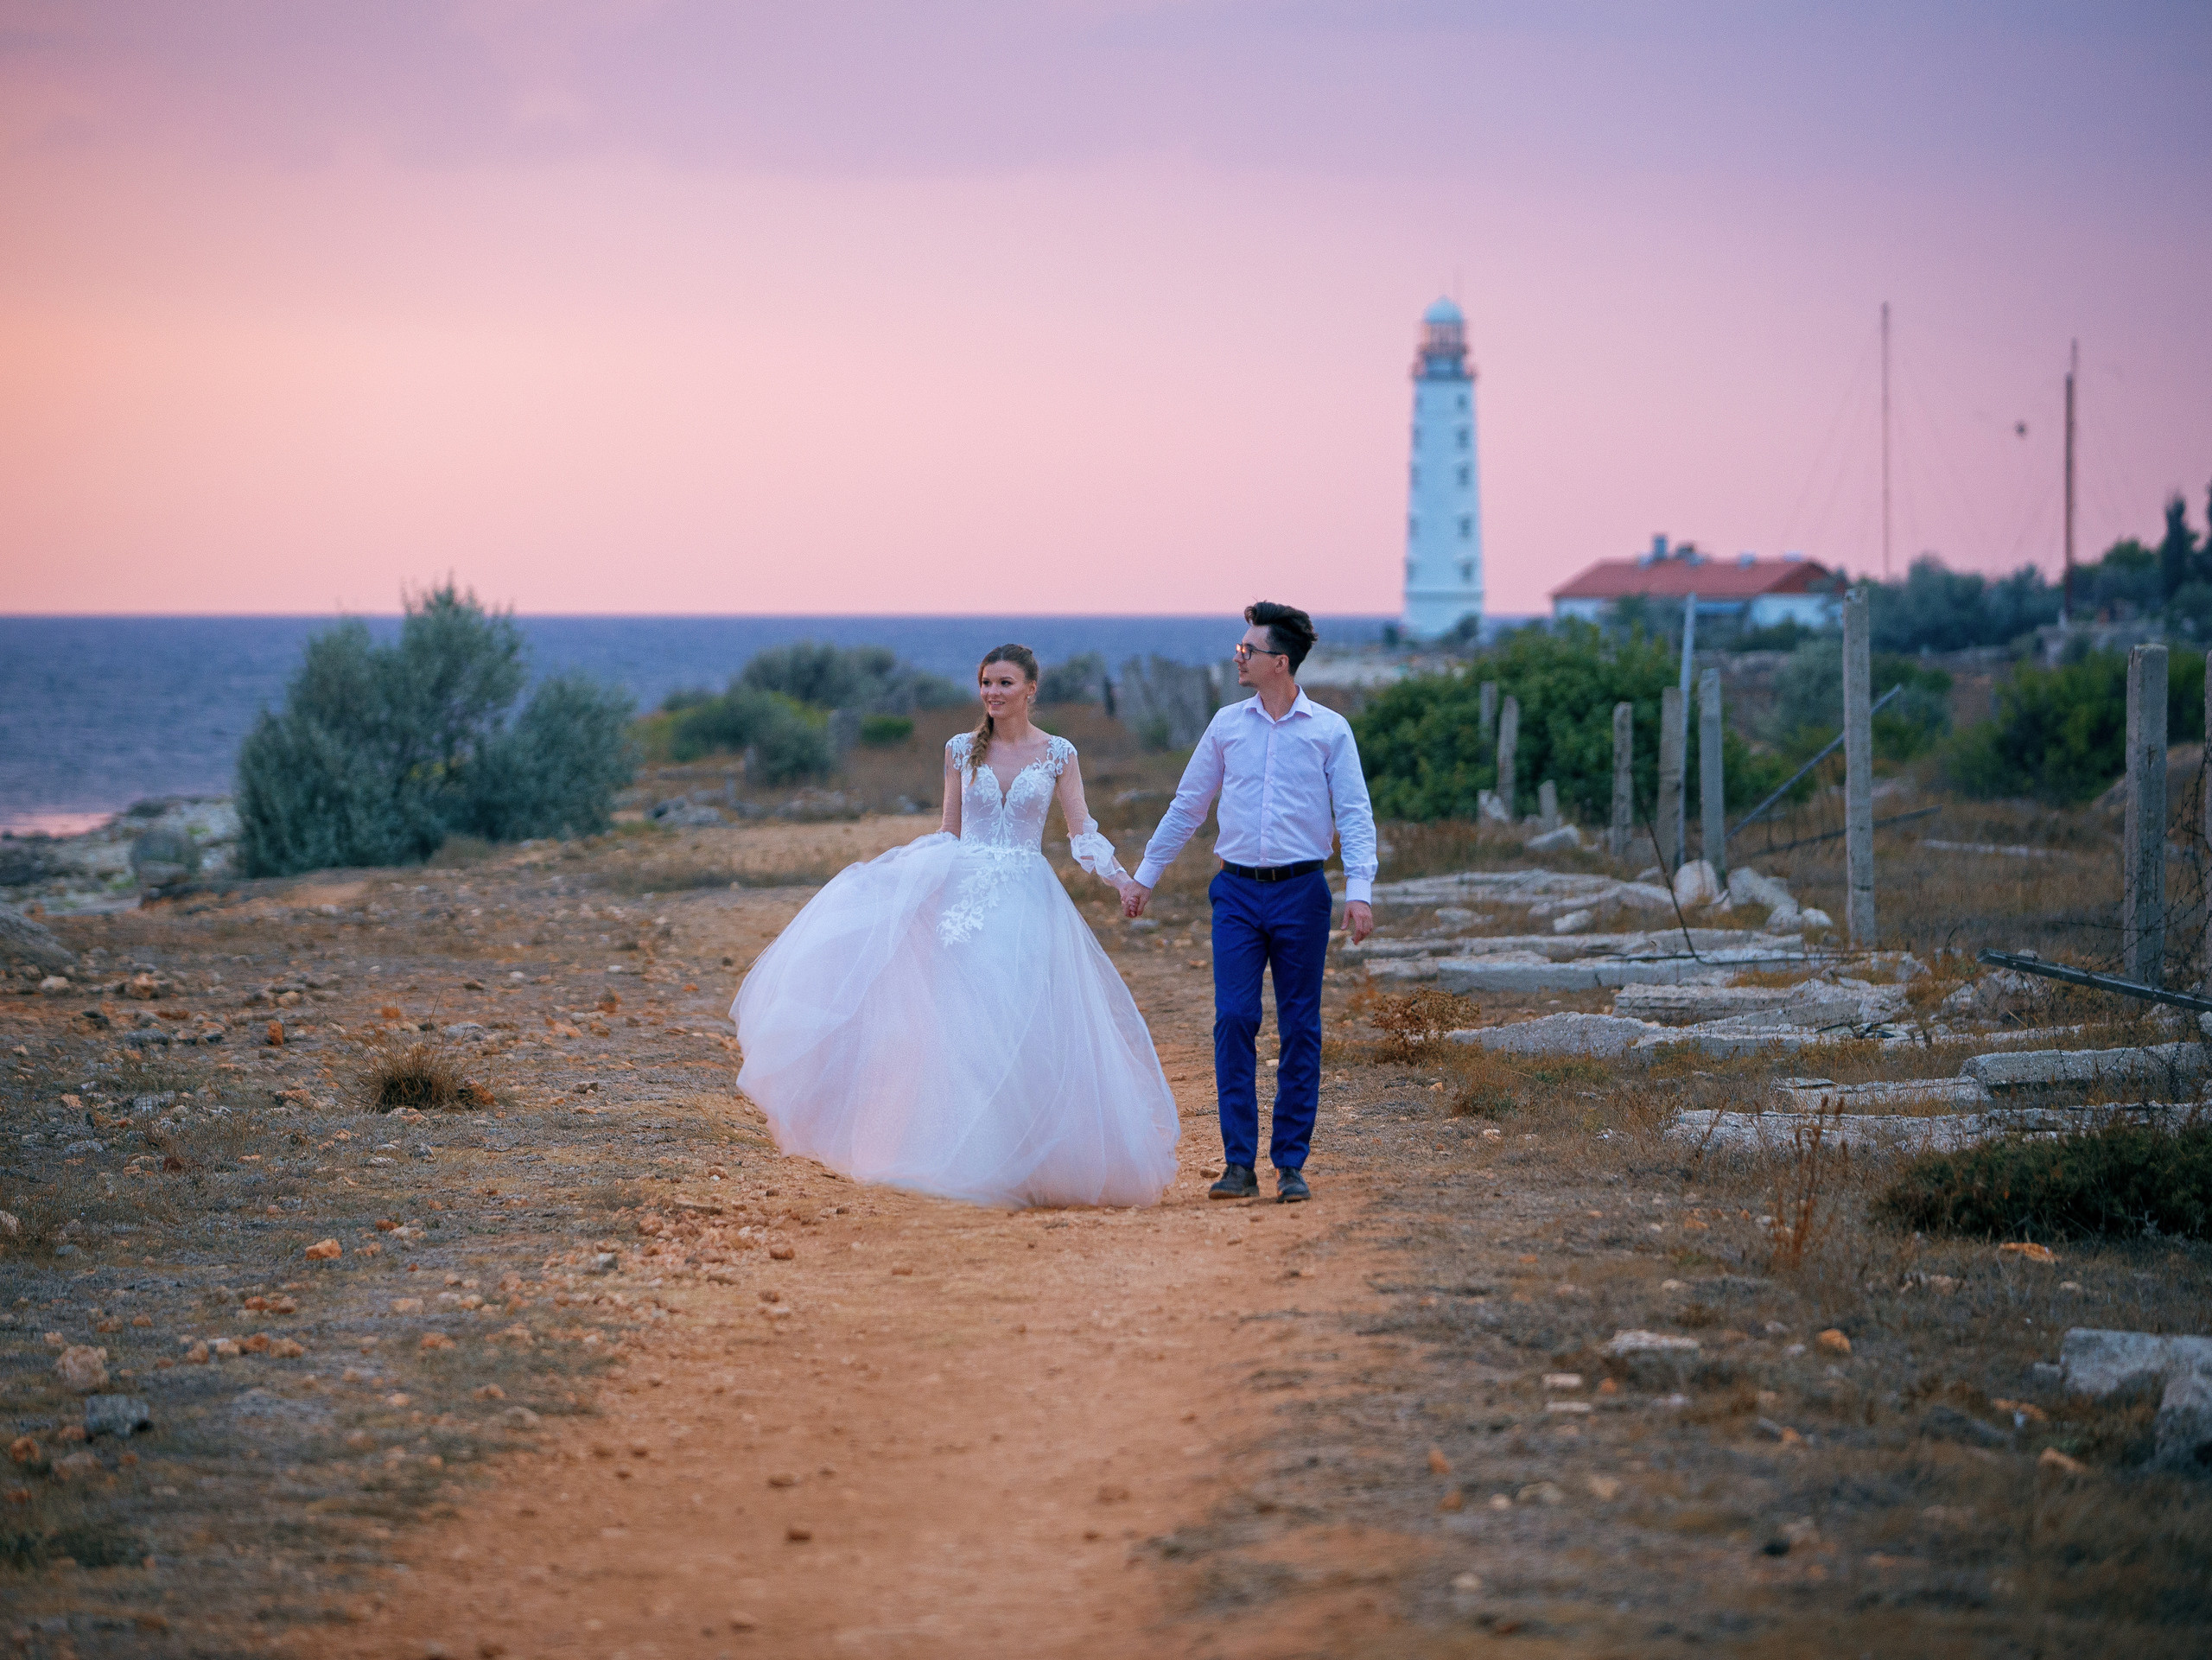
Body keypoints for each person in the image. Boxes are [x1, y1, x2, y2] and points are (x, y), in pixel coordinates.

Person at [732, 644, 1179, 1209]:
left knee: (1022, 1019)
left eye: (1006, 683)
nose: (993, 692)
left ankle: (1032, 1155)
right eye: (987, 682)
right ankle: (970, 1155)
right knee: (963, 1022)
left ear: (1031, 690)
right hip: (965, 896)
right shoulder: (961, 751)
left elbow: (1081, 830)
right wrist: (917, 889)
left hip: (1027, 897)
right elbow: (949, 829)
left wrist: (1123, 881)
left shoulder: (1058, 753)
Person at [1122, 601, 1376, 1203]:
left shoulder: (1330, 730)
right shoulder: (1227, 725)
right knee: (1234, 1018)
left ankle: (1290, 1163)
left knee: (1300, 1027)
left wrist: (1359, 891)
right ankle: (1238, 1163)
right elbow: (1188, 806)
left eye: (1248, 650)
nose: (1238, 657)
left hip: (1302, 891)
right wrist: (1145, 876)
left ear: (1279, 662)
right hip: (1235, 890)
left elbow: (1355, 814)